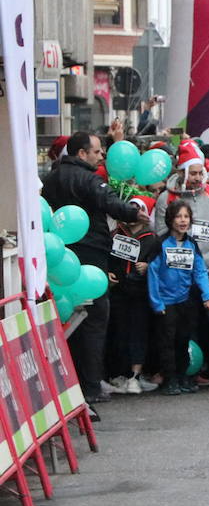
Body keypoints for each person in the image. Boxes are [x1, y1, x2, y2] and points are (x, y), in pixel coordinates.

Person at [42, 131, 143, 403]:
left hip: (59, 259)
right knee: (95, 319)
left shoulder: (50, 179)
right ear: (82, 153)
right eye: (97, 151)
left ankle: (68, 385)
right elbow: (109, 202)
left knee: (67, 321)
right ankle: (90, 387)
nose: (102, 156)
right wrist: (134, 212)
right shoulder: (89, 179)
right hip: (91, 257)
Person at [146, 200, 209, 396]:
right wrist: (156, 302)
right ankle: (170, 380)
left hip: (186, 300)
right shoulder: (160, 244)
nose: (183, 220)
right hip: (165, 303)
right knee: (167, 342)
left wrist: (207, 295)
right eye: (178, 216)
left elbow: (200, 271)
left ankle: (183, 376)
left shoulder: (192, 243)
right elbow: (152, 274)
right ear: (170, 220)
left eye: (186, 216)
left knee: (183, 340)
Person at [106, 197, 158, 395]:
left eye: (138, 209)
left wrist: (148, 267)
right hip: (119, 291)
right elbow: (107, 257)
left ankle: (135, 375)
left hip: (140, 293)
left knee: (139, 332)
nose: (133, 213)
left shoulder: (151, 238)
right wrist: (107, 272)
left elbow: (159, 264)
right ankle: (119, 373)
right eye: (130, 208)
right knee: (119, 332)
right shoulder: (115, 234)